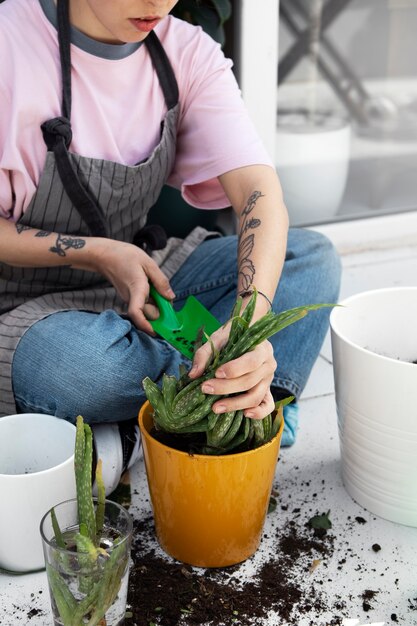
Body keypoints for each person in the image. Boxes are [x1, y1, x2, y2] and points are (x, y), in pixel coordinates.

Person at [0, 0, 341, 494]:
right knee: (78, 369)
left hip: (144, 280)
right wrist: (97, 251)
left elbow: (258, 193)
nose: (158, 3)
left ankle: (192, 406)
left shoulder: (186, 54)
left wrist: (246, 325)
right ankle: (241, 404)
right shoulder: (11, 41)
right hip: (24, 307)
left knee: (309, 259)